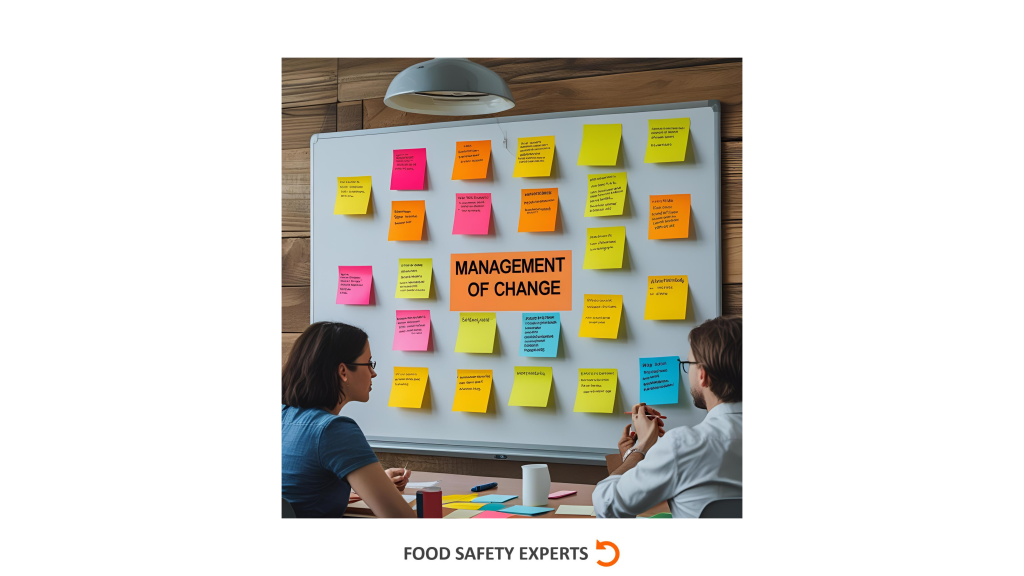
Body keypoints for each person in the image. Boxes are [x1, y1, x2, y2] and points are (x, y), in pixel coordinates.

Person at [592, 316, 742, 518]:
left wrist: (641, 447)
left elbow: (607, 505)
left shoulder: (683, 445)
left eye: (689, 364)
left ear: (703, 375)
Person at [282, 321, 416, 518]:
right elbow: (401, 519)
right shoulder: (333, 430)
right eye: (369, 363)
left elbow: (303, 493)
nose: (373, 372)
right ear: (343, 371)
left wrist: (375, 484)